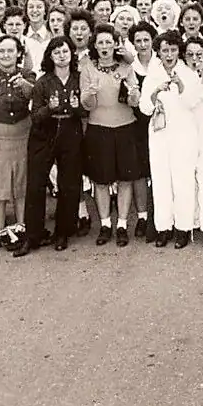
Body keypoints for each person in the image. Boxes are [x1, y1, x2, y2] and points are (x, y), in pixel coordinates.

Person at [139, 32, 203, 250]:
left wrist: (181, 86)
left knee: (183, 182)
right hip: (159, 135)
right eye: (165, 50)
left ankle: (183, 228)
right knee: (161, 181)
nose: (169, 54)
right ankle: (164, 227)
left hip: (184, 135)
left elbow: (193, 101)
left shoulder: (187, 73)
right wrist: (155, 93)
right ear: (159, 52)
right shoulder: (153, 75)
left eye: (173, 50)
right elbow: (144, 107)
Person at [15, 37, 85, 256]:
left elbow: (87, 110)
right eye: (57, 53)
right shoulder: (43, 82)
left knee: (69, 183)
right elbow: (35, 115)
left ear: (72, 53)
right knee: (36, 184)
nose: (62, 56)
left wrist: (77, 107)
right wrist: (48, 108)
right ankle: (33, 235)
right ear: (50, 56)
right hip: (44, 133)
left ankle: (63, 232)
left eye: (65, 51)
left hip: (70, 131)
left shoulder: (80, 78)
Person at [80, 24, 143, 247]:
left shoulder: (126, 67)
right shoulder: (87, 68)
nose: (105, 46)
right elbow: (86, 106)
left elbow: (135, 102)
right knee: (101, 180)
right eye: (100, 43)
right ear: (94, 46)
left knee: (126, 178)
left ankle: (122, 224)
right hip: (99, 129)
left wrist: (134, 93)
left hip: (125, 127)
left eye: (109, 42)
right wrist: (88, 95)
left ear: (115, 44)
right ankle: (105, 223)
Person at [0, 35, 35, 252]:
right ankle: (0, 229)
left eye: (10, 51)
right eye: (1, 51)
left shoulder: (27, 73)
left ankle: (21, 226)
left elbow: (33, 93)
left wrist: (25, 84)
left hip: (22, 130)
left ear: (19, 53)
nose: (5, 55)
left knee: (21, 179)